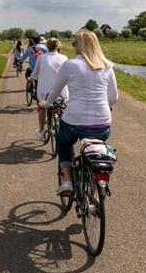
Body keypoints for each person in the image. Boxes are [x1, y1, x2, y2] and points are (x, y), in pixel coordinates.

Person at [43, 29, 118, 195]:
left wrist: (47, 103)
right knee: (96, 151)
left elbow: (56, 91)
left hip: (74, 120)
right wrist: (106, 106)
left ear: (78, 45)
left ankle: (68, 181)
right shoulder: (107, 66)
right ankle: (93, 193)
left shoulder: (70, 64)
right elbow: (113, 97)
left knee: (63, 142)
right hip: (102, 123)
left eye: (74, 43)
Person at [31, 37, 68, 141]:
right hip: (61, 91)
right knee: (60, 105)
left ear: (47, 46)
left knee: (42, 107)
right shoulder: (64, 58)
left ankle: (41, 131)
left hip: (44, 91)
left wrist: (30, 78)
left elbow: (35, 73)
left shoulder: (41, 58)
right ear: (58, 46)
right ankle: (59, 123)